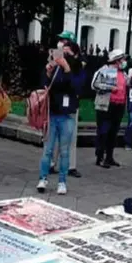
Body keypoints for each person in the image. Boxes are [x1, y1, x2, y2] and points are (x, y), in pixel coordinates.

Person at [37, 40, 85, 195]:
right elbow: (45, 85)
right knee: (47, 149)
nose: (64, 55)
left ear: (75, 54)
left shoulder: (78, 69)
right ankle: (43, 178)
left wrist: (67, 68)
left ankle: (62, 181)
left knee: (64, 150)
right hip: (53, 112)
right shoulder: (55, 68)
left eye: (68, 52)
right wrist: (49, 73)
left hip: (67, 114)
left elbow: (76, 87)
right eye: (62, 52)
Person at [49, 31, 83, 179]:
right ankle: (51, 162)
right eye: (61, 41)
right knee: (53, 135)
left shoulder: (77, 63)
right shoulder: (56, 58)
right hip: (56, 101)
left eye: (65, 41)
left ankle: (70, 165)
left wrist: (67, 67)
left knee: (70, 135)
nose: (61, 43)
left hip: (70, 102)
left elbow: (76, 84)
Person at [92, 49, 128, 169]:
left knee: (113, 131)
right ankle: (100, 157)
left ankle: (109, 157)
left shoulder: (122, 73)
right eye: (122, 59)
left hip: (119, 105)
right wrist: (109, 88)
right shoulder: (104, 71)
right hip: (106, 105)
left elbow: (127, 85)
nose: (124, 61)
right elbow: (94, 84)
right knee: (104, 131)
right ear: (117, 60)